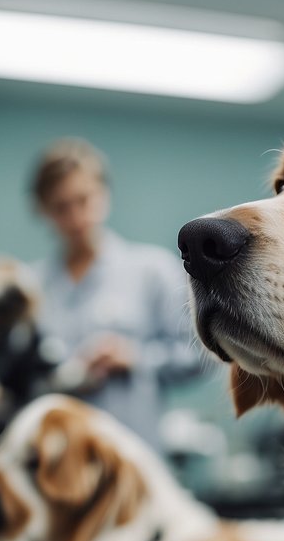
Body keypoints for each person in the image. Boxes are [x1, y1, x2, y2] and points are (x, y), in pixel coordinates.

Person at [25, 136, 206, 450]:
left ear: (104, 194)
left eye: (84, 200)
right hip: (57, 459)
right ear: (44, 211)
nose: (76, 217)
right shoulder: (30, 287)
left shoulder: (152, 271)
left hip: (133, 460)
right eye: (61, 207)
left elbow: (200, 355)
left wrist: (137, 357)